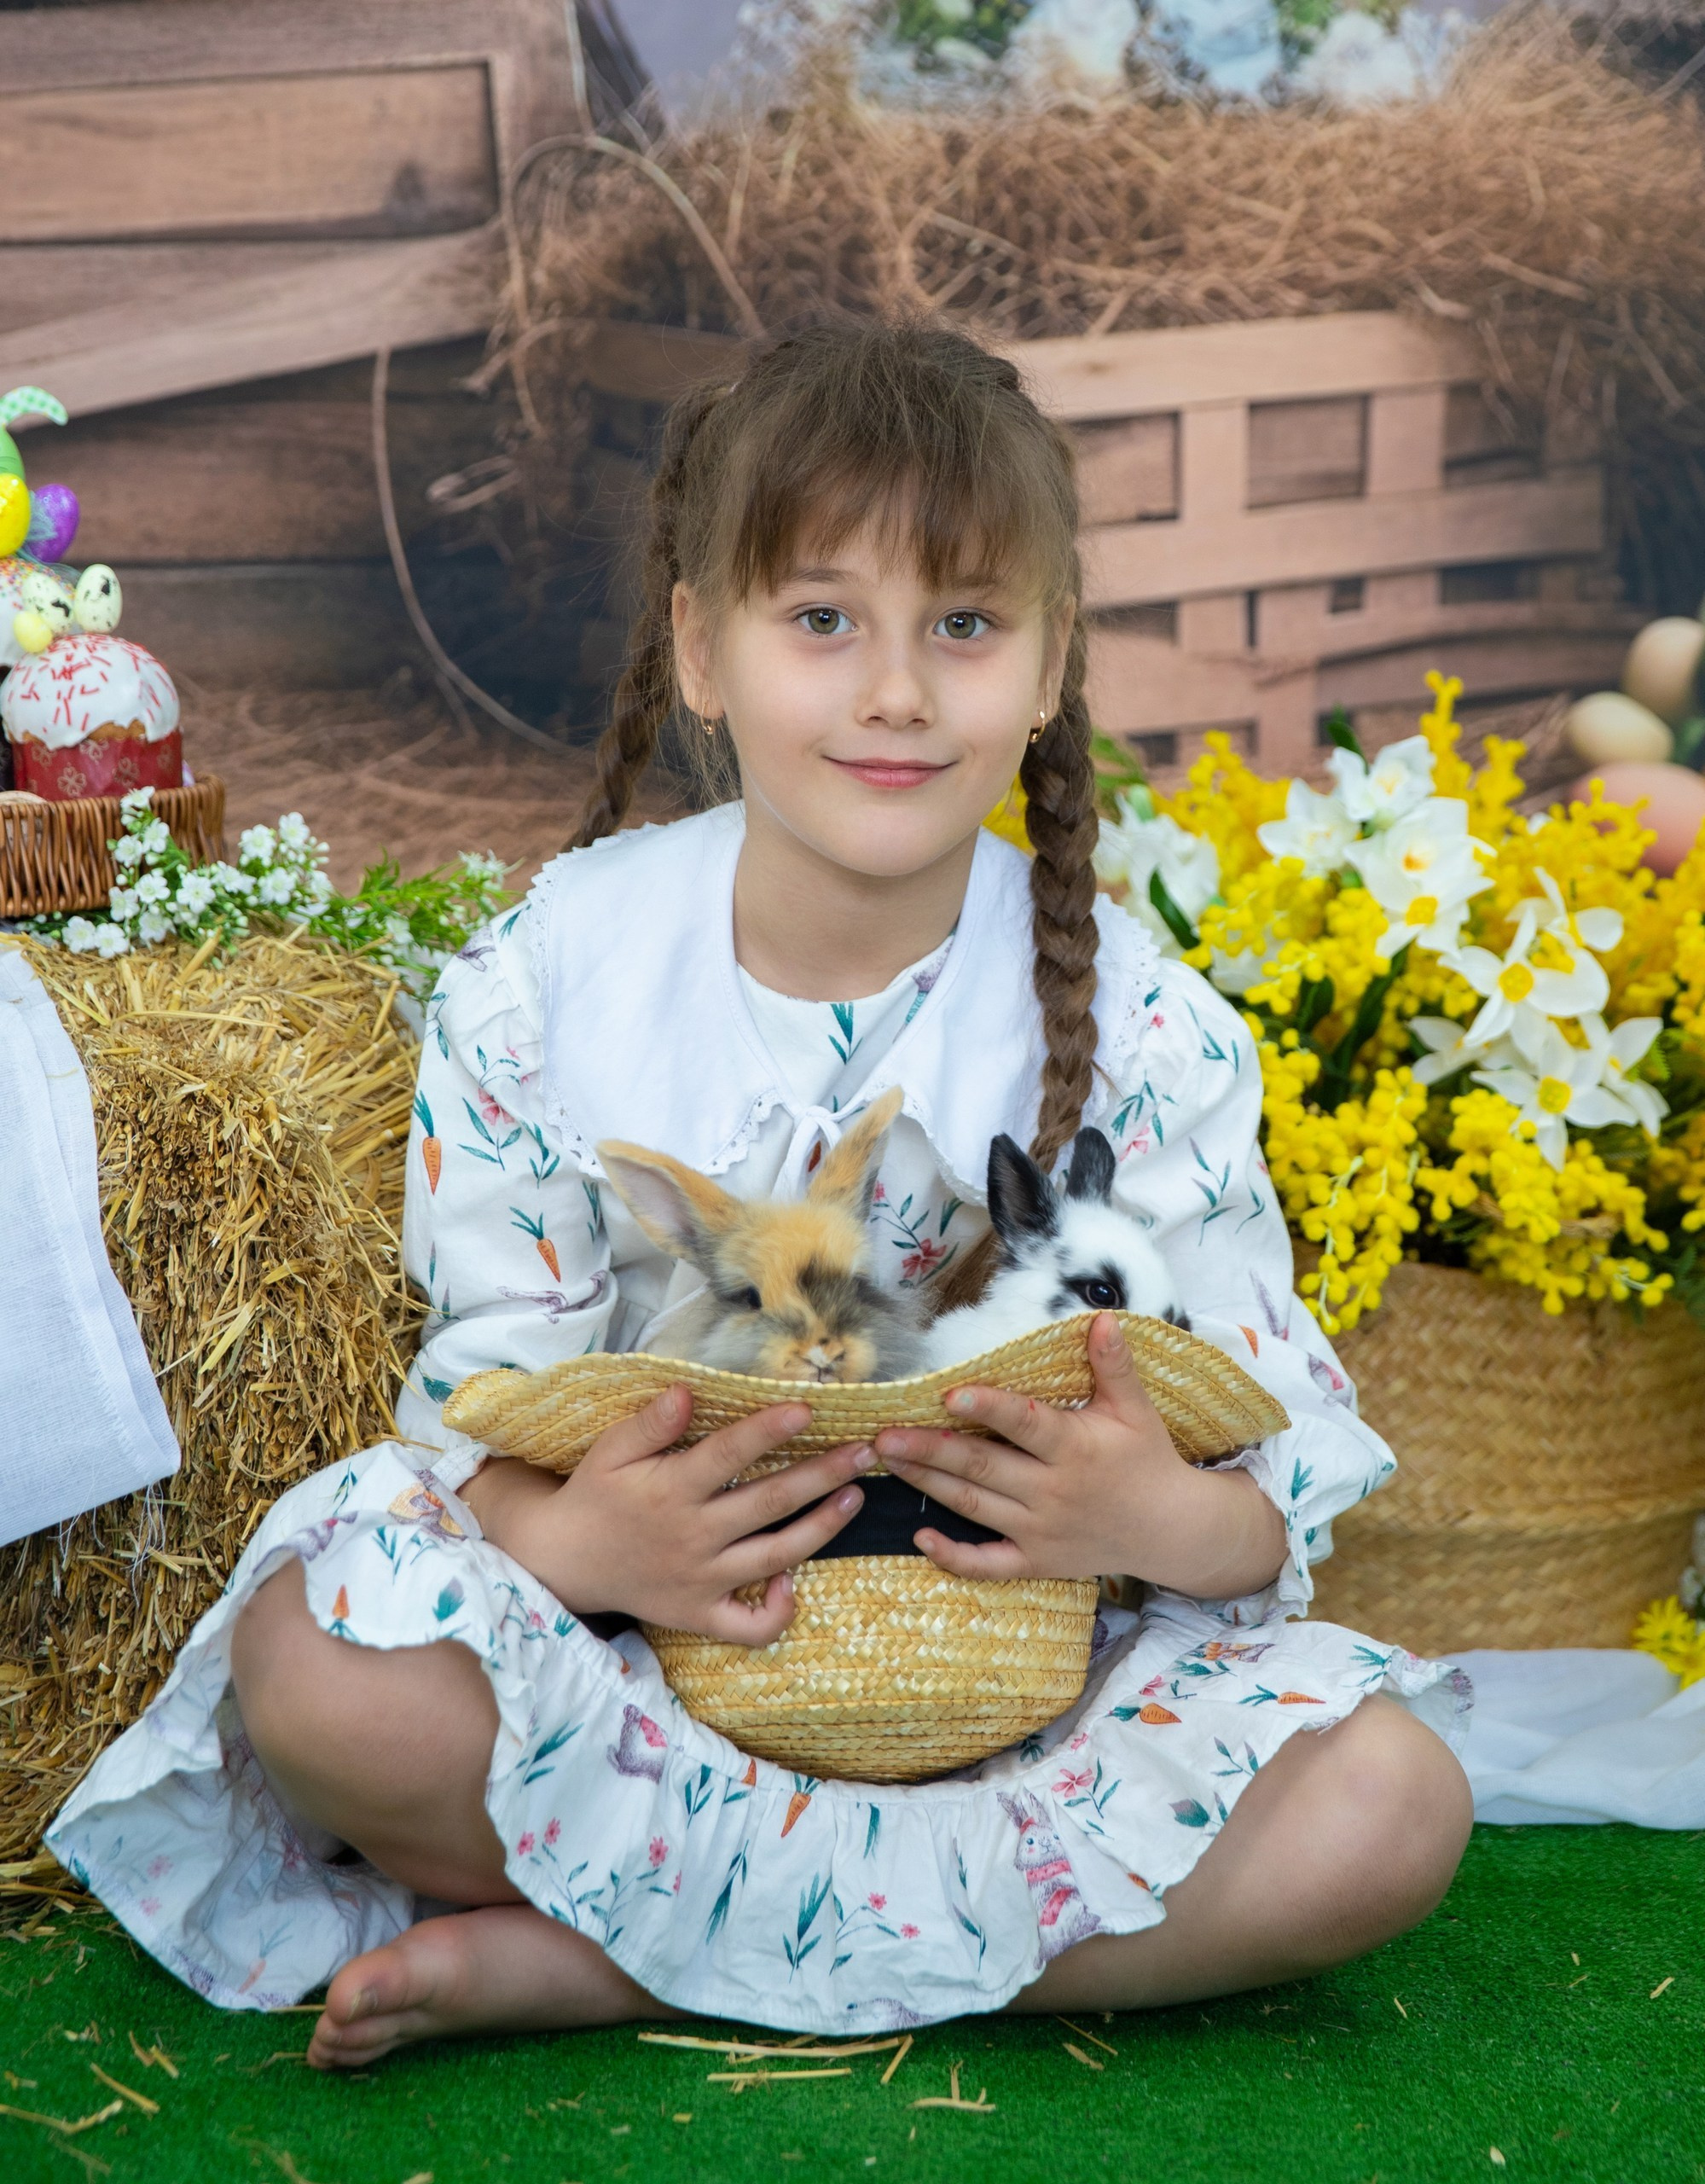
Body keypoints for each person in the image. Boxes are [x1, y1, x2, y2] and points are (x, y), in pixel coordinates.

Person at [49, 320, 1472, 2068]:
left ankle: (621, 1959)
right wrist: (585, 1545)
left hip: (1027, 1718)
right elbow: (472, 1416)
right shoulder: (548, 973)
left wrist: (1146, 1519)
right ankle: (825, 1933)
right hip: (659, 1693)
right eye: (821, 620)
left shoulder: (1152, 1023)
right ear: (700, 649)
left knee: (1389, 1796)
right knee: (318, 1658)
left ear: (1047, 668)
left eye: (964, 623)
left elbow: (1275, 1493)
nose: (894, 690)